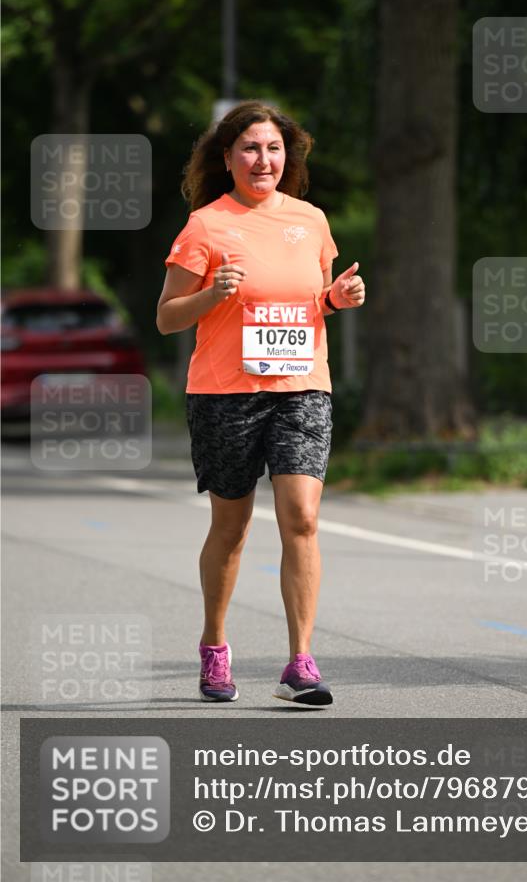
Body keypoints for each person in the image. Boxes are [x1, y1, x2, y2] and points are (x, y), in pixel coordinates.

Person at [156, 101, 365, 707]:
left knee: (302, 517)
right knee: (233, 526)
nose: (263, 159)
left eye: (273, 148)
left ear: (286, 157)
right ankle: (214, 647)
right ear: (228, 159)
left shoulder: (311, 221)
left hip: (301, 388)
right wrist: (212, 295)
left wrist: (336, 298)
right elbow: (167, 317)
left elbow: (309, 303)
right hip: (225, 394)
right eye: (250, 148)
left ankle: (300, 663)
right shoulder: (205, 227)